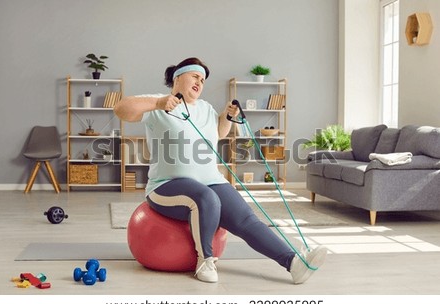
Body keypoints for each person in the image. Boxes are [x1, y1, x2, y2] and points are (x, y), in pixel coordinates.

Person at [114, 57, 327, 284]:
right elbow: (121, 109)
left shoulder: (205, 108)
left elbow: (219, 133)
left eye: (203, 80)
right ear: (178, 77)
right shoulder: (158, 102)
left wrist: (227, 116)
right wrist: (158, 104)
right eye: (195, 76)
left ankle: (293, 263)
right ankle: (205, 260)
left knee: (246, 219)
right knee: (206, 198)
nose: (200, 82)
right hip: (166, 185)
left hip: (211, 180)